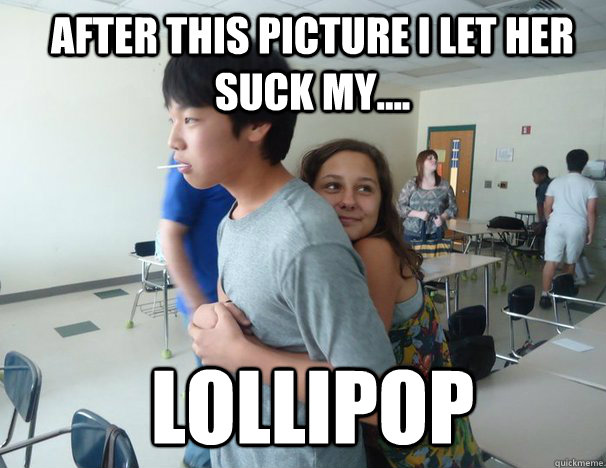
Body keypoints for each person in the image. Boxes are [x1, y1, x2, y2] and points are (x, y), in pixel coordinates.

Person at [163, 50, 395, 468]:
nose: (173, 140)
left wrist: (243, 357)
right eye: (171, 120)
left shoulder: (305, 237)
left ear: (256, 122)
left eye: (190, 119)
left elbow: (375, 397)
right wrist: (213, 316)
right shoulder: (233, 218)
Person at [191, 139, 482, 468]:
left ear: (382, 200)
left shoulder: (373, 251)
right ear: (308, 197)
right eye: (332, 186)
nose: (348, 201)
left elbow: (359, 382)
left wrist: (239, 352)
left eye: (365, 189)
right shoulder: (327, 250)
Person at [159, 154, 234, 468]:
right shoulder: (186, 160)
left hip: (237, 304)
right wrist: (199, 308)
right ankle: (197, 460)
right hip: (209, 307)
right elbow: (169, 234)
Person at [539, 149, 598, 308]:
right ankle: (562, 294)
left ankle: (545, 295)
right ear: (584, 164)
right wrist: (591, 232)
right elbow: (592, 211)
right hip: (577, 226)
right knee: (570, 262)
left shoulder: (556, 182)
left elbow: (547, 206)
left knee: (551, 261)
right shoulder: (589, 184)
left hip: (556, 224)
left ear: (567, 163)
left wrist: (549, 220)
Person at [398, 149, 458, 243]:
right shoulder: (411, 184)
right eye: (430, 158)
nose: (435, 160)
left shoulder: (444, 185)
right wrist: (418, 214)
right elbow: (400, 206)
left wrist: (442, 217)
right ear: (421, 163)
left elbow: (453, 208)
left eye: (435, 158)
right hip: (412, 234)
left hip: (436, 233)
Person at [531, 166, 551, 237]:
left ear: (543, 176)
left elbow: (540, 205)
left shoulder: (542, 187)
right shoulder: (554, 183)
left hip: (548, 218)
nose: (533, 179)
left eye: (535, 176)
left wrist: (540, 222)